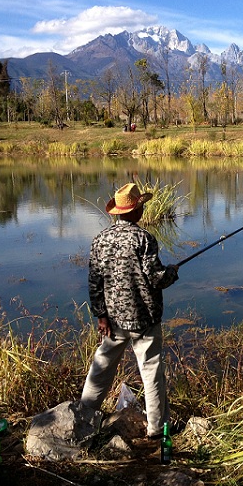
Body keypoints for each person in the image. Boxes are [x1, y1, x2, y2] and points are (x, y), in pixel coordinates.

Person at [81, 182, 179, 439]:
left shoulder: (100, 240)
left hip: (112, 321)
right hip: (144, 320)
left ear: (117, 212)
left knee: (101, 368)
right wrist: (171, 273)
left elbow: (94, 282)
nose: (142, 211)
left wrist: (101, 315)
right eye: (141, 207)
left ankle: (83, 414)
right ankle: (157, 429)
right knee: (151, 373)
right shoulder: (144, 239)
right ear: (135, 212)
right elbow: (156, 278)